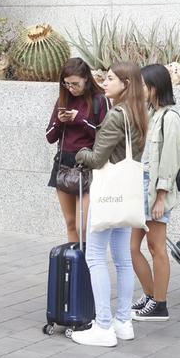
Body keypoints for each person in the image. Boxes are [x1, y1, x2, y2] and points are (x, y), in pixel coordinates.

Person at [71, 61, 148, 348]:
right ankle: (123, 322)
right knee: (123, 259)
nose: (104, 83)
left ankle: (103, 325)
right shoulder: (138, 113)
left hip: (108, 195)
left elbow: (97, 159)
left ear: (125, 84)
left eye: (111, 78)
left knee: (95, 256)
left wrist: (80, 153)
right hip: (126, 196)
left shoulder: (116, 115)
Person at [130, 63, 180, 323]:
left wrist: (161, 197)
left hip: (155, 190)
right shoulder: (151, 115)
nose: (139, 89)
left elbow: (170, 160)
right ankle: (151, 295)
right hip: (141, 186)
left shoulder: (170, 118)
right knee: (132, 248)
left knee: (156, 247)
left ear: (155, 87)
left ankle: (160, 304)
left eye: (143, 85)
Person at [45, 58, 108, 243]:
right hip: (63, 164)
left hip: (87, 166)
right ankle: (74, 260)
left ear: (86, 79)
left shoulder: (99, 100)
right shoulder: (63, 99)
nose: (71, 88)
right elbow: (50, 136)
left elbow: (106, 137)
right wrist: (60, 121)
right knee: (71, 223)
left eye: (75, 84)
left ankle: (88, 259)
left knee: (84, 226)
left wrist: (80, 119)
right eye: (67, 84)